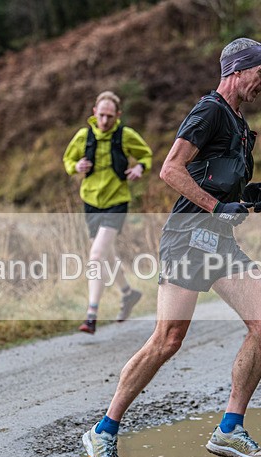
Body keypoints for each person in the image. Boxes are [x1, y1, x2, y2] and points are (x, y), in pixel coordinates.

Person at [82, 38, 261, 457]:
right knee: (167, 340)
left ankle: (230, 428)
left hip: (219, 241)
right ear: (237, 70)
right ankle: (104, 430)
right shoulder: (209, 110)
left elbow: (209, 177)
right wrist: (215, 206)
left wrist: (243, 196)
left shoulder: (239, 123)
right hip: (188, 238)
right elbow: (170, 168)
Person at [63, 91, 153, 334]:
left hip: (117, 201)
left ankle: (91, 314)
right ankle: (128, 293)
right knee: (106, 255)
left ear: (118, 116)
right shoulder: (83, 136)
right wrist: (76, 166)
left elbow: (146, 155)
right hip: (91, 201)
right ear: (94, 112)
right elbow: (68, 160)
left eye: (110, 117)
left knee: (96, 255)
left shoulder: (125, 135)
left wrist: (139, 168)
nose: (104, 121)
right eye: (101, 115)